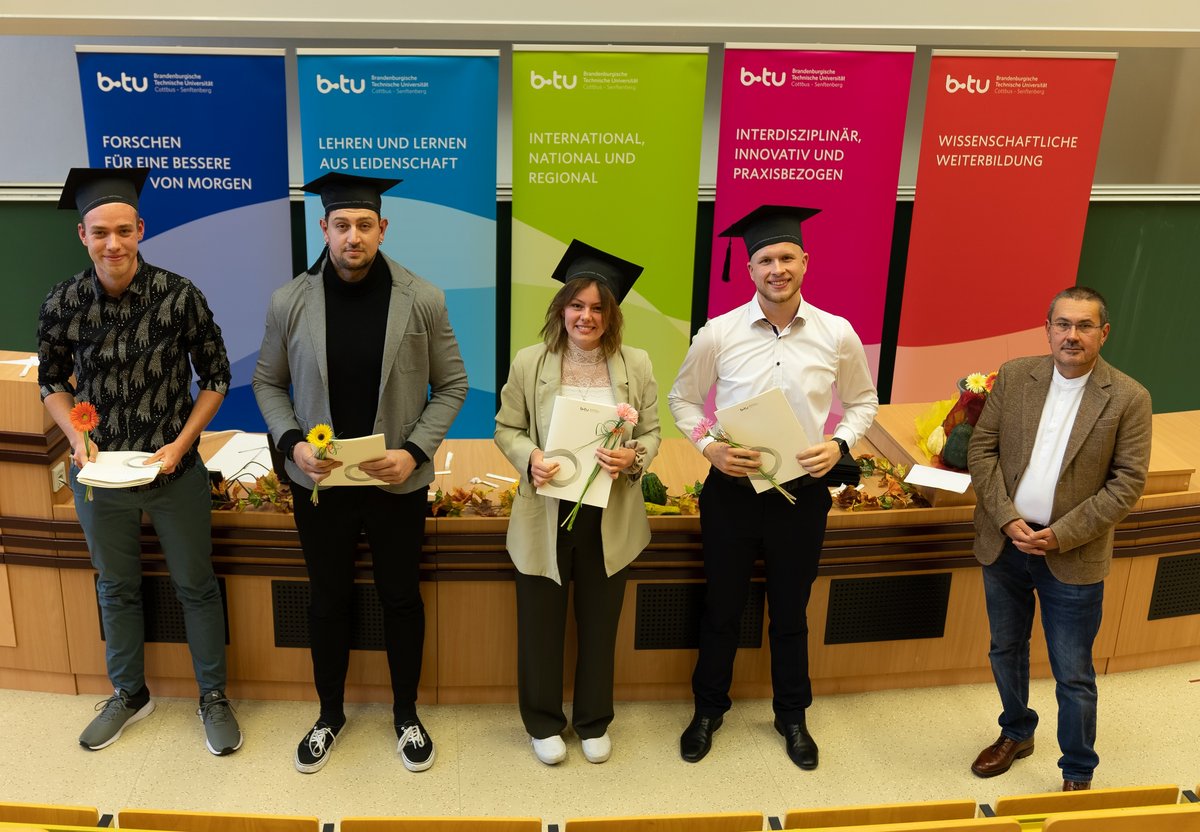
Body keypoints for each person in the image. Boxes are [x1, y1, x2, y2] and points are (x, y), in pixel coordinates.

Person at [252, 172, 467, 774]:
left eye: (364, 225)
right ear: (323, 228)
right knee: (327, 601)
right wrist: (292, 444)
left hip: (394, 483)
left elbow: (452, 385)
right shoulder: (288, 301)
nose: (353, 236)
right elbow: (266, 382)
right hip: (320, 487)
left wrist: (415, 453)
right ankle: (329, 715)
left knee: (400, 598)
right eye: (341, 225)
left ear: (383, 229)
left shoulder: (422, 298)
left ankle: (406, 715)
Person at [37, 167, 241, 755]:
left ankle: (213, 697)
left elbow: (217, 376)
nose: (113, 244)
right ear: (83, 235)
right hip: (99, 476)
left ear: (140, 229)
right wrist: (74, 442)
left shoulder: (180, 296)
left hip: (173, 472)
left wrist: (182, 443)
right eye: (100, 232)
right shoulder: (63, 302)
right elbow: (52, 381)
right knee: (117, 588)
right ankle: (129, 694)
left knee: (196, 586)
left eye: (124, 230)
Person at [668, 204, 878, 769]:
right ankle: (708, 709)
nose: (776, 269)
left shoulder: (837, 333)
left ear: (805, 263)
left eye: (787, 257)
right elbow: (682, 400)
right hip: (732, 492)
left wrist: (839, 444)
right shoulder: (719, 333)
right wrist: (710, 445)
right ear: (750, 268)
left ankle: (792, 715)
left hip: (802, 493)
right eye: (765, 259)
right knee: (721, 608)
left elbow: (863, 402)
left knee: (790, 611)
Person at [967, 286, 1151, 792]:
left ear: (1103, 333)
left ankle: (1077, 771)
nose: (1072, 335)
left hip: (1072, 556)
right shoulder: (1015, 377)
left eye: (1084, 326)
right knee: (1005, 649)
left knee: (1073, 673)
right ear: (1047, 328)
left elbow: (1128, 483)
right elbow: (982, 451)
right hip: (1004, 544)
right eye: (1063, 324)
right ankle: (1016, 732)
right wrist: (1006, 518)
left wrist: (1060, 535)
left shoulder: (1129, 397)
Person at [495, 240, 660, 765]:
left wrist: (633, 457)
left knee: (599, 622)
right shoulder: (530, 362)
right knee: (540, 623)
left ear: (611, 316)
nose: (586, 316)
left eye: (597, 308)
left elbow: (653, 433)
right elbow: (506, 428)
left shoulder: (635, 363)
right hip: (545, 511)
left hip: (610, 515)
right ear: (560, 309)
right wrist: (530, 457)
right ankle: (543, 722)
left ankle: (593, 719)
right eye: (576, 305)